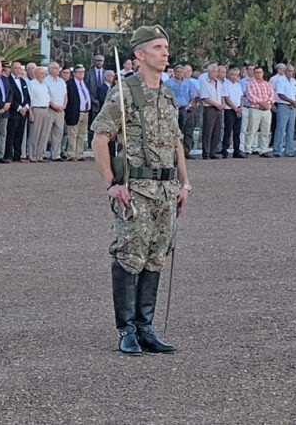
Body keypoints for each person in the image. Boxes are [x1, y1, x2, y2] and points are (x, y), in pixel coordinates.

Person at [91, 25, 191, 356]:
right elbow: (100, 137)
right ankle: (127, 329)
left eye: (166, 47)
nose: (166, 53)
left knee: (156, 256)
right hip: (136, 189)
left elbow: (177, 140)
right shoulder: (124, 92)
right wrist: (112, 184)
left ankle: (146, 327)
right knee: (128, 256)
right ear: (140, 54)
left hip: (165, 189)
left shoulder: (167, 94)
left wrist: (184, 182)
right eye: (159, 47)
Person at [166, 64, 197, 159]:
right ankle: (174, 152)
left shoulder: (189, 83)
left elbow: (193, 96)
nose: (179, 74)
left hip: (186, 109)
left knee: (188, 131)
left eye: (181, 72)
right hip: (174, 109)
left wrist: (189, 105)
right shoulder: (168, 83)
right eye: (177, 72)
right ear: (174, 72)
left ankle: (186, 151)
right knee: (175, 132)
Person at [245, 66, 276, 158]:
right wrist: (262, 103)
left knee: (265, 131)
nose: (259, 74)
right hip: (255, 109)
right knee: (252, 130)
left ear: (263, 73)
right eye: (257, 72)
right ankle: (248, 149)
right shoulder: (250, 84)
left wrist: (268, 103)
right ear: (254, 74)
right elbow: (250, 96)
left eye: (260, 72)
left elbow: (272, 95)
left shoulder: (267, 84)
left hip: (266, 111)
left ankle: (263, 150)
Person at [65, 64, 91, 161]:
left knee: (82, 134)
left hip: (85, 112)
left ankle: (79, 154)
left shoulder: (85, 83)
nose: (81, 74)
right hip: (74, 112)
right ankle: (71, 154)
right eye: (79, 72)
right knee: (72, 134)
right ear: (74, 73)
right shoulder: (70, 84)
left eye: (83, 72)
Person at [6, 62, 30, 162]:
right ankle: (8, 155)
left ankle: (17, 155)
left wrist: (26, 107)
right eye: (15, 68)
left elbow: (27, 96)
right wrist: (19, 108)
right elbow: (10, 96)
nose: (17, 70)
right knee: (11, 134)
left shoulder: (23, 81)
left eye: (19, 68)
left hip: (23, 112)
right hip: (14, 112)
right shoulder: (8, 80)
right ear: (11, 69)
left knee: (20, 135)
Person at [272, 65, 296, 157]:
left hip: (292, 107)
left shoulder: (293, 81)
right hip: (283, 105)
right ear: (285, 71)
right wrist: (291, 101)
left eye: (292, 71)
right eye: (288, 71)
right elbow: (280, 94)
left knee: (291, 129)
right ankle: (277, 150)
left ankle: (289, 150)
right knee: (281, 128)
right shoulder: (280, 80)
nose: (290, 73)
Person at [199, 63, 224, 160]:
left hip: (219, 108)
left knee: (216, 131)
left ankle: (214, 151)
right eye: (213, 71)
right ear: (208, 72)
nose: (215, 73)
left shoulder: (219, 83)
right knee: (208, 130)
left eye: (216, 71)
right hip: (209, 108)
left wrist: (222, 104)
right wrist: (217, 105)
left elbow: (221, 95)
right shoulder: (204, 83)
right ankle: (206, 152)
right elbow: (205, 98)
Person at [27, 66, 52, 162]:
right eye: (41, 73)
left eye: (44, 73)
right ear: (36, 74)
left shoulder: (45, 85)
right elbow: (29, 99)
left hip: (45, 109)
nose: (43, 75)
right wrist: (31, 113)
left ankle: (40, 155)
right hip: (36, 109)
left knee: (44, 134)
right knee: (35, 133)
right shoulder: (32, 84)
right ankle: (32, 155)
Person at [46, 61, 67, 161]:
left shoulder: (61, 81)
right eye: (55, 68)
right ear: (49, 69)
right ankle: (42, 153)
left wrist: (63, 106)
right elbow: (46, 96)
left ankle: (56, 154)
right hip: (50, 110)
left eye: (58, 68)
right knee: (46, 133)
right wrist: (54, 106)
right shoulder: (46, 81)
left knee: (58, 133)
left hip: (60, 111)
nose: (57, 70)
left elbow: (65, 95)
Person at [221, 67, 244, 158]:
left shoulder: (238, 85)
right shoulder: (225, 84)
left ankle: (236, 150)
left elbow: (241, 98)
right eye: (232, 75)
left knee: (237, 131)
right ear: (228, 75)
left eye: (236, 75)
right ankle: (224, 150)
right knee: (228, 130)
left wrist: (240, 108)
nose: (234, 77)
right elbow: (227, 98)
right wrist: (235, 108)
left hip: (238, 109)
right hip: (229, 110)